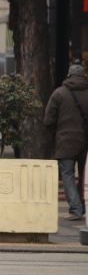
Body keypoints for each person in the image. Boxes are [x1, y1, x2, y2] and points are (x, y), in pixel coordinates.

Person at [44, 63, 88, 220]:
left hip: (65, 142)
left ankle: (76, 209)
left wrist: (54, 135)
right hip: (85, 143)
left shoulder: (59, 94)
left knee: (67, 175)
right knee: (84, 177)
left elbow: (48, 120)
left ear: (69, 75)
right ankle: (82, 205)